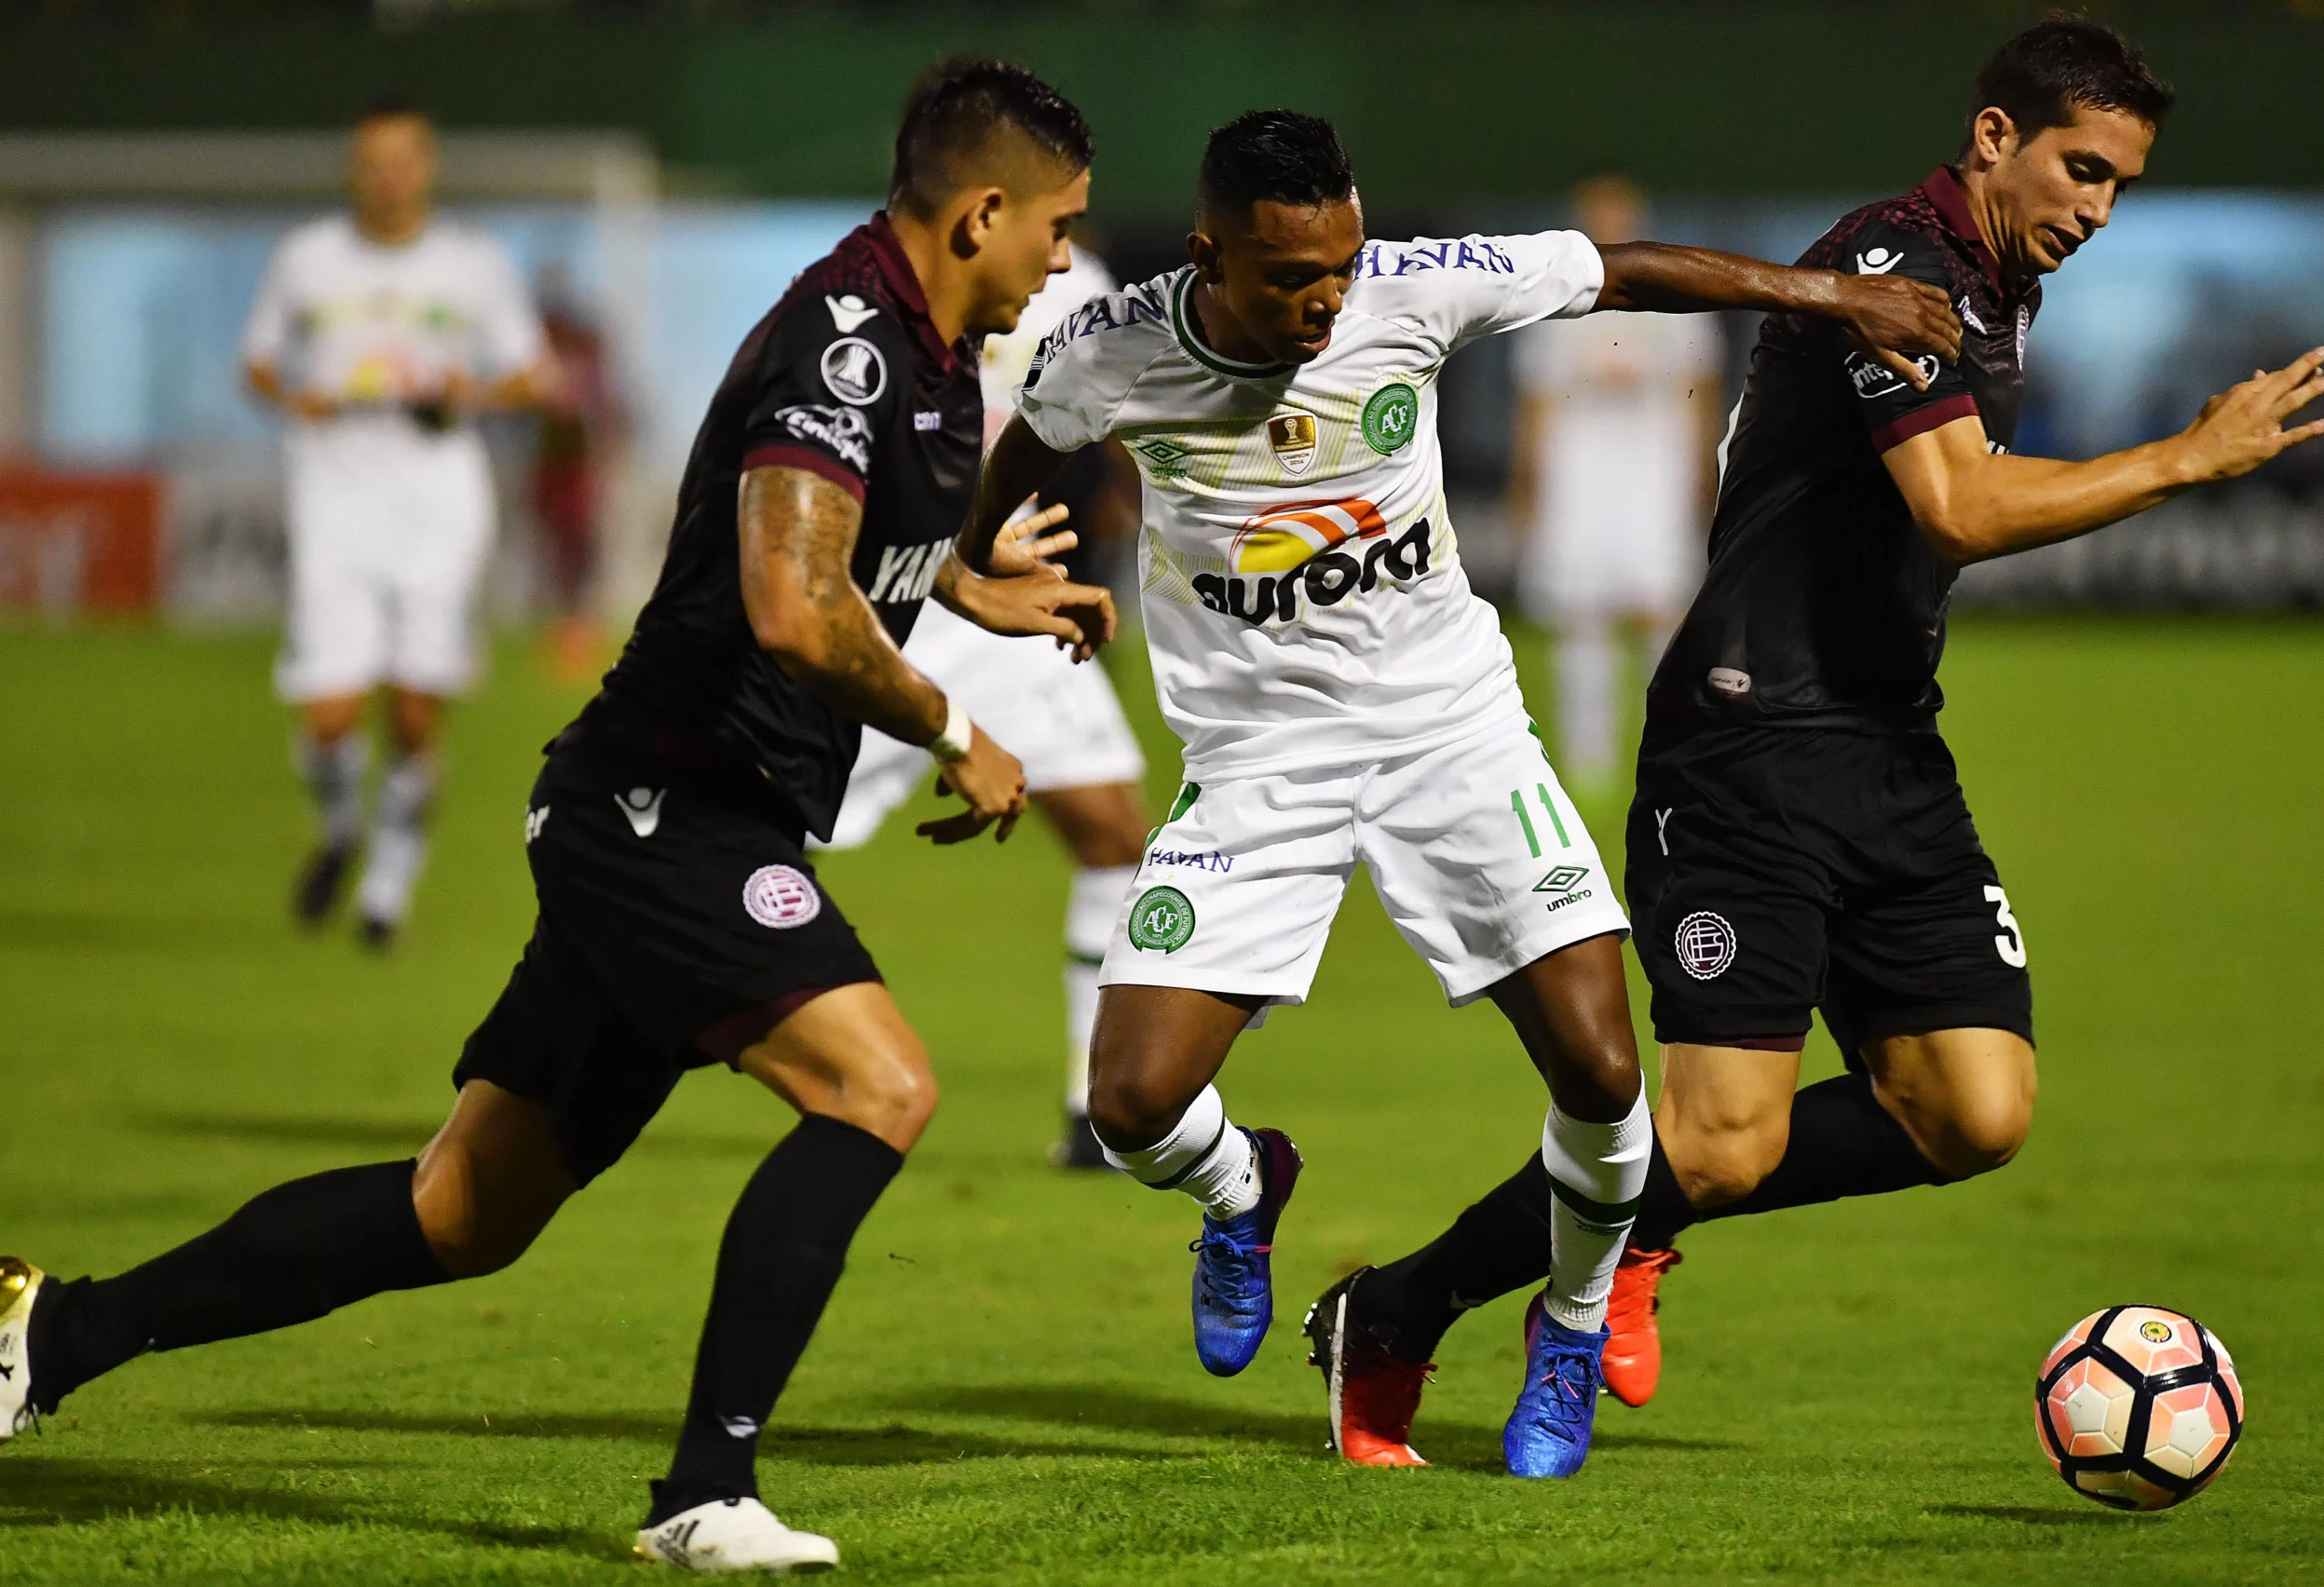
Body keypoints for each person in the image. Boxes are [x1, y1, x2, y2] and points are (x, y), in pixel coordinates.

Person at [1, 58, 1113, 1572]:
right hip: (666, 807)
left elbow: (839, 552)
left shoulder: (931, 350)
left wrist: (972, 584)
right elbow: (793, 607)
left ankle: (50, 1330)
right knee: (879, 1087)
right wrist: (954, 723)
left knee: (463, 1210)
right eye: (1058, 226)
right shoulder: (845, 344)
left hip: (680, 814)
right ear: (982, 210)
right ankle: (704, 1489)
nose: (1063, 255)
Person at [1315, 16, 2324, 1456]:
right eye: (2082, 171)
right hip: (1744, 753)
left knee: (1974, 1112)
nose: (2098, 212)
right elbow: (1962, 511)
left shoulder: (1994, 278)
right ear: (1997, 139)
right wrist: (2187, 455)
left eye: (2120, 187)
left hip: (1884, 747)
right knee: (1723, 1143)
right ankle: (1409, 1308)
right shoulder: (1892, 270)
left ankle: (1640, 1227)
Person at [961, 110, 1961, 1478]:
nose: (1326, 301)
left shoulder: (1406, 291)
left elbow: (1623, 271)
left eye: (1339, 265)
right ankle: (1243, 1188)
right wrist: (979, 559)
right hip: (1259, 764)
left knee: (1608, 1078)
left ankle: (1568, 1319)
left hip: (1452, 734)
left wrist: (1831, 293)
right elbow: (1029, 438)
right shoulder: (1114, 348)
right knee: (1131, 1109)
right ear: (1210, 255)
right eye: (1288, 279)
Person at [824, 242, 1152, 1171]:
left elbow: (1122, 396)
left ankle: (1093, 1112)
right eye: (1054, 211)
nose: (1059, 245)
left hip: (1005, 599)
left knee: (1114, 834)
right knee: (749, 834)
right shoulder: (872, 292)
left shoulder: (1077, 285)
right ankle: (585, 1035)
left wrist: (1132, 488)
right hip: (894, 602)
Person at [242, 98, 551, 948]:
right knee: (330, 715)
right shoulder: (308, 259)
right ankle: (342, 828)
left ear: (428, 165)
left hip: (436, 501)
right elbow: (258, 363)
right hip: (335, 498)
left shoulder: (472, 265)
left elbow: (533, 375)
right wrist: (293, 395)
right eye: (372, 161)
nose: (388, 176)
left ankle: (386, 890)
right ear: (353, 170)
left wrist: (470, 394)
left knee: (415, 711)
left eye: (402, 159)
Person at [1510, 175, 1722, 797]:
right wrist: (1527, 481)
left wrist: (1701, 471)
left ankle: (1671, 751)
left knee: (1664, 611)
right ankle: (1589, 767)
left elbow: (1702, 387)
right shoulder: (1549, 299)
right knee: (1582, 616)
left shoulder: (1676, 285)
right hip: (1579, 476)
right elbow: (1535, 401)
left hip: (1651, 473)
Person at [530, 260, 622, 684]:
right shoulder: (540, 346)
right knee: (553, 550)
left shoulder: (585, 350)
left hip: (578, 465)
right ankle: (559, 632)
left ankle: (578, 632)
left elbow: (608, 408)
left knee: (581, 550)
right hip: (548, 462)